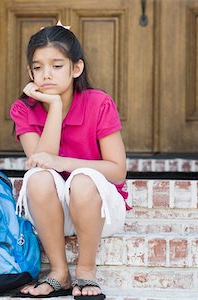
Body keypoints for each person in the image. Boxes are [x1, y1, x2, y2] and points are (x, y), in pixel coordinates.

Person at [10, 21, 131, 300]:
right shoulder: (23, 109)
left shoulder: (98, 102)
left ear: (76, 68)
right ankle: (59, 273)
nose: (46, 75)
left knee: (82, 179)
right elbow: (40, 161)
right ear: (30, 72)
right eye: (38, 68)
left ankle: (86, 271)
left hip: (99, 211)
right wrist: (54, 107)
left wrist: (63, 161)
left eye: (56, 65)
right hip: (51, 214)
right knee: (38, 177)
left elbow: (118, 171)